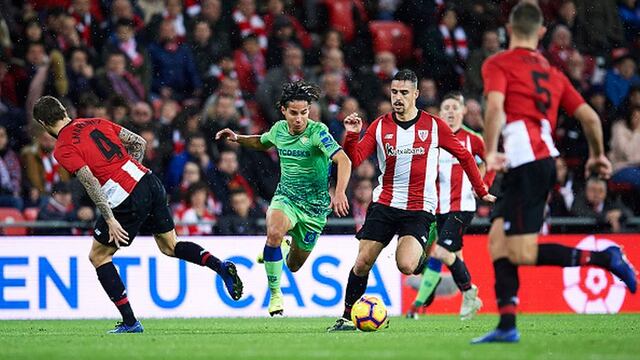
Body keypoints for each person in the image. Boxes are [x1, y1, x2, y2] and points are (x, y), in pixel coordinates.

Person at [474, 3, 637, 344]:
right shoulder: (553, 73)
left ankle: (604, 258)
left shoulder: (498, 63)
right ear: (542, 32)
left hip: (528, 164)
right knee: (497, 243)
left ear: (508, 27)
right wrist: (597, 157)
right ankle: (507, 324)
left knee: (520, 252)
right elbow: (591, 119)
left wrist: (489, 151)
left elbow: (494, 107)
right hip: (539, 161)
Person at [32, 96, 243, 334]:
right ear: (63, 110)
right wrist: (131, 174)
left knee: (99, 256)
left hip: (123, 195)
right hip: (148, 180)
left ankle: (131, 322)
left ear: (42, 122)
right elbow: (139, 143)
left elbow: (90, 180)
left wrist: (110, 218)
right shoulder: (95, 122)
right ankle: (220, 266)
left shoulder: (62, 148)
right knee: (170, 246)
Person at [327, 69, 495, 332]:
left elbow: (464, 155)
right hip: (384, 204)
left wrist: (481, 189)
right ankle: (347, 317)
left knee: (406, 265)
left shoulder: (433, 125)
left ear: (416, 94)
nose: (398, 98)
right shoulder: (380, 125)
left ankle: (424, 259)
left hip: (419, 208)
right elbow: (355, 159)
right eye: (394, 92)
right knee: (362, 263)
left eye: (404, 93)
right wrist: (351, 136)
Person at [216, 81, 352, 316]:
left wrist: (339, 192)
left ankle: (284, 245)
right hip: (286, 198)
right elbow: (261, 141)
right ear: (284, 111)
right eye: (294, 113)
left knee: (294, 265)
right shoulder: (279, 129)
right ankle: (276, 294)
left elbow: (344, 160)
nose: (299, 119)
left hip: (315, 209)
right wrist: (238, 138)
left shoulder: (318, 132)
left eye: (304, 113)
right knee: (274, 233)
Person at [406, 92, 495, 321]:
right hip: (438, 209)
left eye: (455, 108)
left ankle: (467, 293)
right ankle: (454, 298)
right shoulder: (433, 140)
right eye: (446, 108)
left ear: (463, 111)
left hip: (462, 206)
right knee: (449, 255)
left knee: (440, 252)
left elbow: (489, 163)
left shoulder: (473, 139)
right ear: (441, 113)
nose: (451, 112)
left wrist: (483, 185)